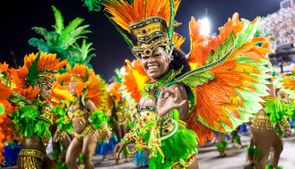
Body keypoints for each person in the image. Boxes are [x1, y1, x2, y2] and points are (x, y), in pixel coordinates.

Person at [85, 0, 272, 168]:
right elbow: (145, 124)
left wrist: (164, 116)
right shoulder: (152, 89)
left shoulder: (174, 88)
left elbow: (177, 132)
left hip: (179, 162)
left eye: (155, 53)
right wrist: (128, 138)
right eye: (144, 55)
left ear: (168, 53)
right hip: (159, 161)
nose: (149, 60)